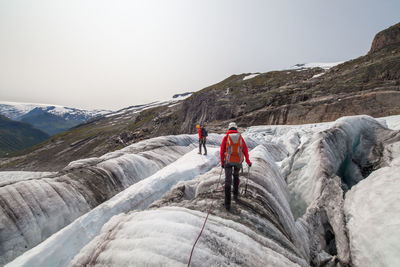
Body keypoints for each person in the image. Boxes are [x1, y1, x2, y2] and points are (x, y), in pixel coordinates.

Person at [220, 122, 251, 211]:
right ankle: (236, 196)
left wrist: (222, 162)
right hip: (238, 161)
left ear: (229, 129)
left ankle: (227, 204)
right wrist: (248, 161)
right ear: (236, 129)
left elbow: (222, 152)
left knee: (228, 181)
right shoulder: (240, 138)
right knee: (236, 177)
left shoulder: (226, 138)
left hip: (228, 162)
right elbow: (245, 150)